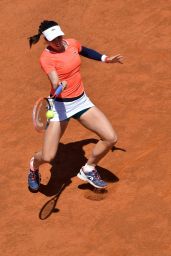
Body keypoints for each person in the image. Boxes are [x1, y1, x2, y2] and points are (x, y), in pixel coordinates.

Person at [28, 20, 123, 192]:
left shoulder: (71, 43)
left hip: (81, 102)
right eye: (52, 39)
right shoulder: (46, 58)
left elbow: (84, 50)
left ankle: (88, 169)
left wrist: (105, 59)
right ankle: (34, 165)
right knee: (48, 156)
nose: (57, 41)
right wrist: (60, 86)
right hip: (60, 108)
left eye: (58, 36)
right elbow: (55, 81)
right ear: (46, 40)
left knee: (110, 138)